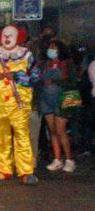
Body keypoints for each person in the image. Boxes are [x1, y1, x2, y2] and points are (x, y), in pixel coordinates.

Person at [0, 25, 40, 184]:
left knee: (22, 135)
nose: (7, 38)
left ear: (18, 37)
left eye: (11, 35)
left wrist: (16, 76)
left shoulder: (26, 55)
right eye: (5, 35)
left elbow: (35, 76)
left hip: (19, 101)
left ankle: (26, 171)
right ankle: (3, 169)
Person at [41, 39, 78, 173]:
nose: (51, 49)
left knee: (60, 130)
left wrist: (55, 81)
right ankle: (57, 159)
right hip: (47, 100)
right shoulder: (46, 64)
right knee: (52, 131)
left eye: (54, 47)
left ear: (60, 50)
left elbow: (73, 82)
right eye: (50, 46)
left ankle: (69, 159)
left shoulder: (67, 64)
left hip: (62, 99)